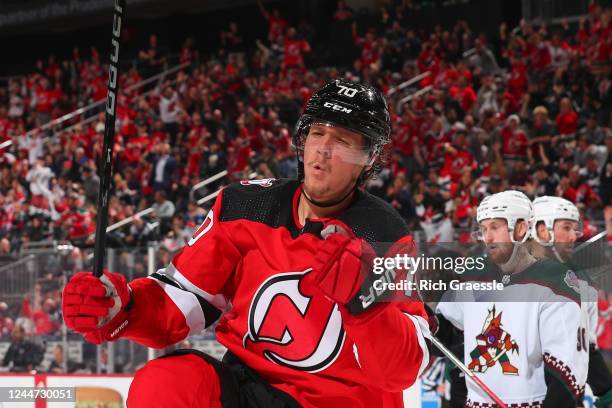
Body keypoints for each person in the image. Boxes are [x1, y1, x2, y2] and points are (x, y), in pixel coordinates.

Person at [62, 79, 430, 407]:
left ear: (368, 159)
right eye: (318, 134)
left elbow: (404, 368)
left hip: (339, 399)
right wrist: (123, 306)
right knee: (166, 383)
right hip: (249, 388)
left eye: (344, 140)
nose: (324, 150)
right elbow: (185, 300)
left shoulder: (385, 234)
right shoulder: (244, 206)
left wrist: (367, 306)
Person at [435, 190, 589, 407]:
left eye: (495, 227)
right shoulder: (475, 277)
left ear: (521, 228)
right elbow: (443, 332)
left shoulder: (556, 281)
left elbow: (567, 374)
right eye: (483, 228)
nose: (487, 237)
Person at [530, 196, 612, 408]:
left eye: (574, 229)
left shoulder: (581, 282)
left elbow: (584, 346)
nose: (574, 236)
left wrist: (606, 389)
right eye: (566, 227)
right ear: (541, 229)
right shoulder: (506, 275)